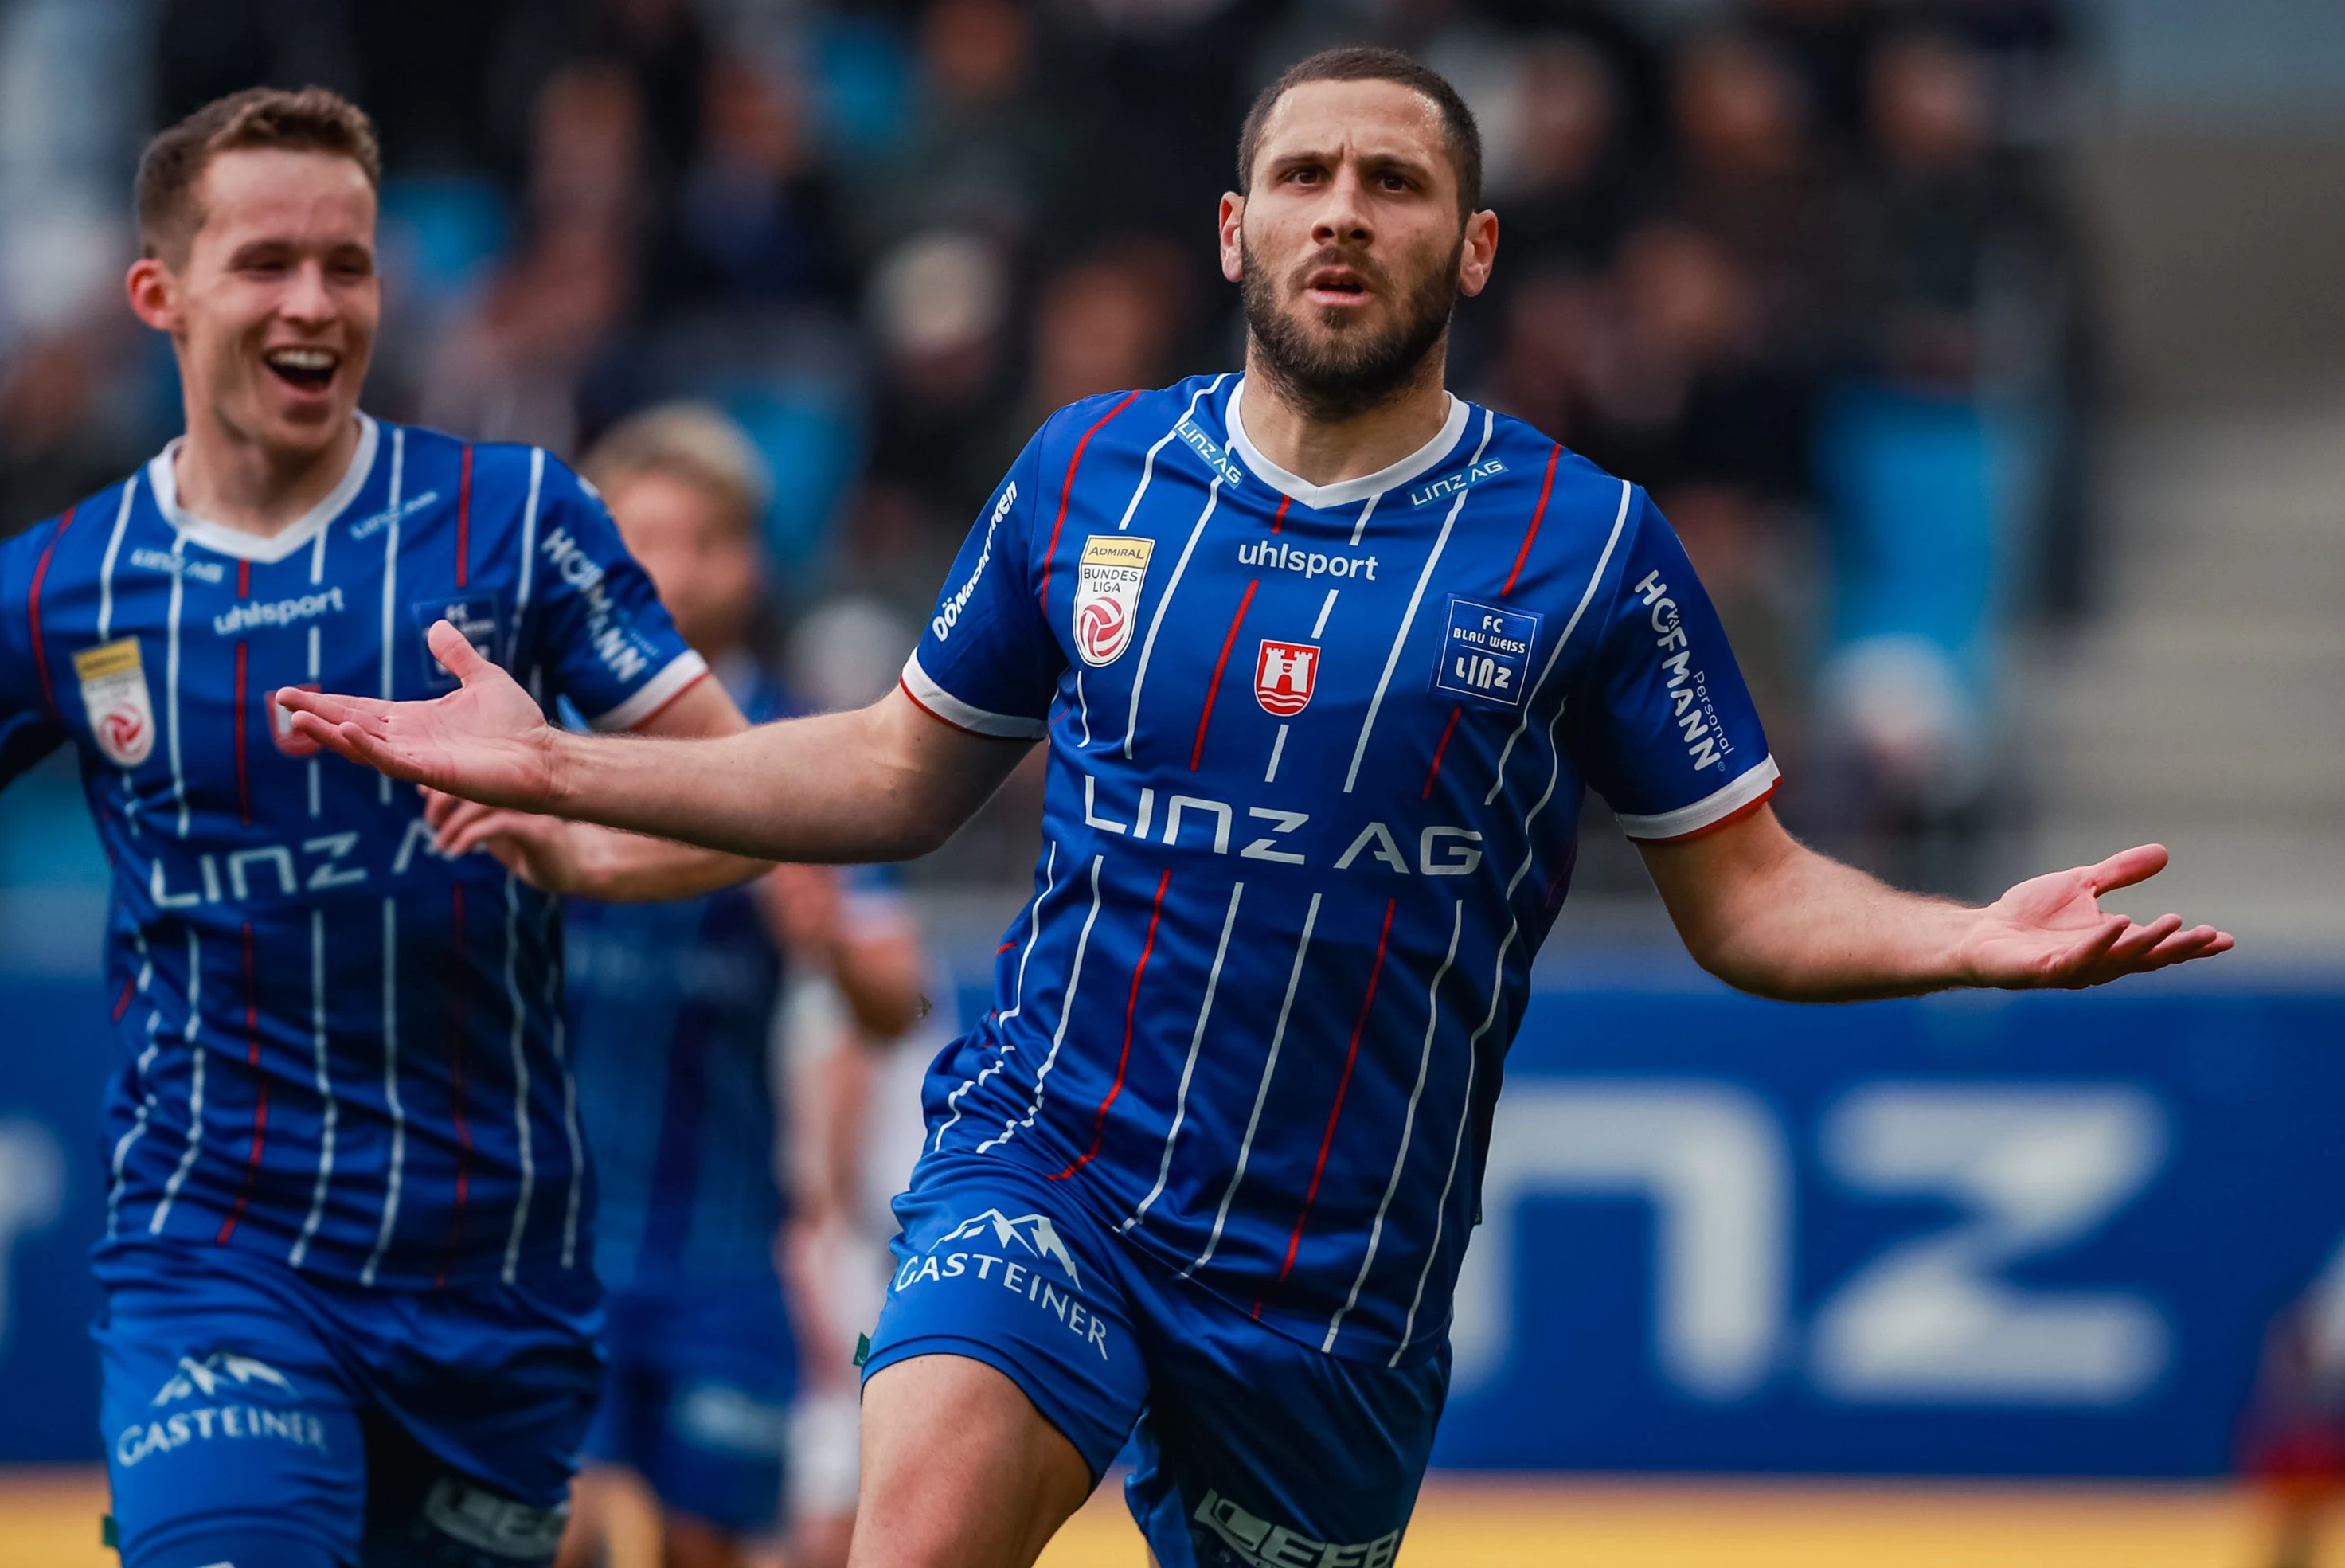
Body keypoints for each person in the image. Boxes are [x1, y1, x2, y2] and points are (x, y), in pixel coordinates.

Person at [281, 49, 2233, 1567]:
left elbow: (1748, 903)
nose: (1342, 213)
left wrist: (1960, 937)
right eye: (1303, 176)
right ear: (1234, 230)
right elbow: (885, 771)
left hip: (1335, 1291)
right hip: (1053, 1164)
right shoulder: (1085, 476)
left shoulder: (1584, 547)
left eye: (1394, 184)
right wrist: (555, 760)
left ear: (1468, 250)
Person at [0, 87, 755, 1568]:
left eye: (349, 265)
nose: (315, 304)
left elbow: (740, 795)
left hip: (497, 1281)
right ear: (158, 296)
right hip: (216, 1248)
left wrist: (572, 839)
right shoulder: (60, 588)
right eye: (267, 263)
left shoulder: (514, 515)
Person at [526, 405, 925, 1568]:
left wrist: (833, 948)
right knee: (561, 1534)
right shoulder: (536, 740)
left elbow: (899, 1002)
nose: (670, 568)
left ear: (748, 562)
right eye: (640, 538)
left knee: (711, 1550)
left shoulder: (804, 756)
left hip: (725, 1255)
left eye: (701, 540)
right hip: (549, 1248)